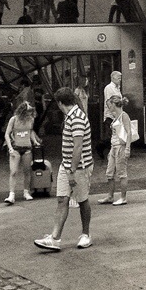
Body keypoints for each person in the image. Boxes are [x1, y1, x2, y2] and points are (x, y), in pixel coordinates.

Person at [34, 87, 94, 251]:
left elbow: (78, 147)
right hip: (67, 165)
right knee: (62, 199)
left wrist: (72, 171)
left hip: (79, 167)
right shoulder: (70, 116)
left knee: (82, 200)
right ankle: (55, 238)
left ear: (60, 103)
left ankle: (86, 234)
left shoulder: (77, 118)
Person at [4, 101, 41, 205]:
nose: (29, 114)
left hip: (27, 148)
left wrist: (35, 141)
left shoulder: (31, 119)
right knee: (13, 171)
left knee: (27, 171)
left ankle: (26, 191)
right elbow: (7, 134)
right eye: (28, 112)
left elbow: (30, 131)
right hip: (15, 148)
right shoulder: (13, 119)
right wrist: (10, 148)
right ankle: (11, 194)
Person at [98, 96, 131, 205]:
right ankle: (110, 196)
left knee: (122, 173)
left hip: (121, 146)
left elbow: (129, 132)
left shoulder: (123, 116)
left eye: (109, 105)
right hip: (114, 146)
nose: (108, 107)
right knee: (110, 173)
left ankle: (123, 197)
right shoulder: (116, 117)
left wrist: (127, 148)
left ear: (114, 104)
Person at [100, 71, 122, 160]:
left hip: (117, 115)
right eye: (118, 78)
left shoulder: (117, 88)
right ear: (112, 78)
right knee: (110, 136)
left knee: (114, 135)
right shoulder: (109, 88)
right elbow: (108, 102)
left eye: (120, 78)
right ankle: (101, 147)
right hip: (110, 116)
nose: (120, 80)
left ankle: (113, 153)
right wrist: (114, 114)